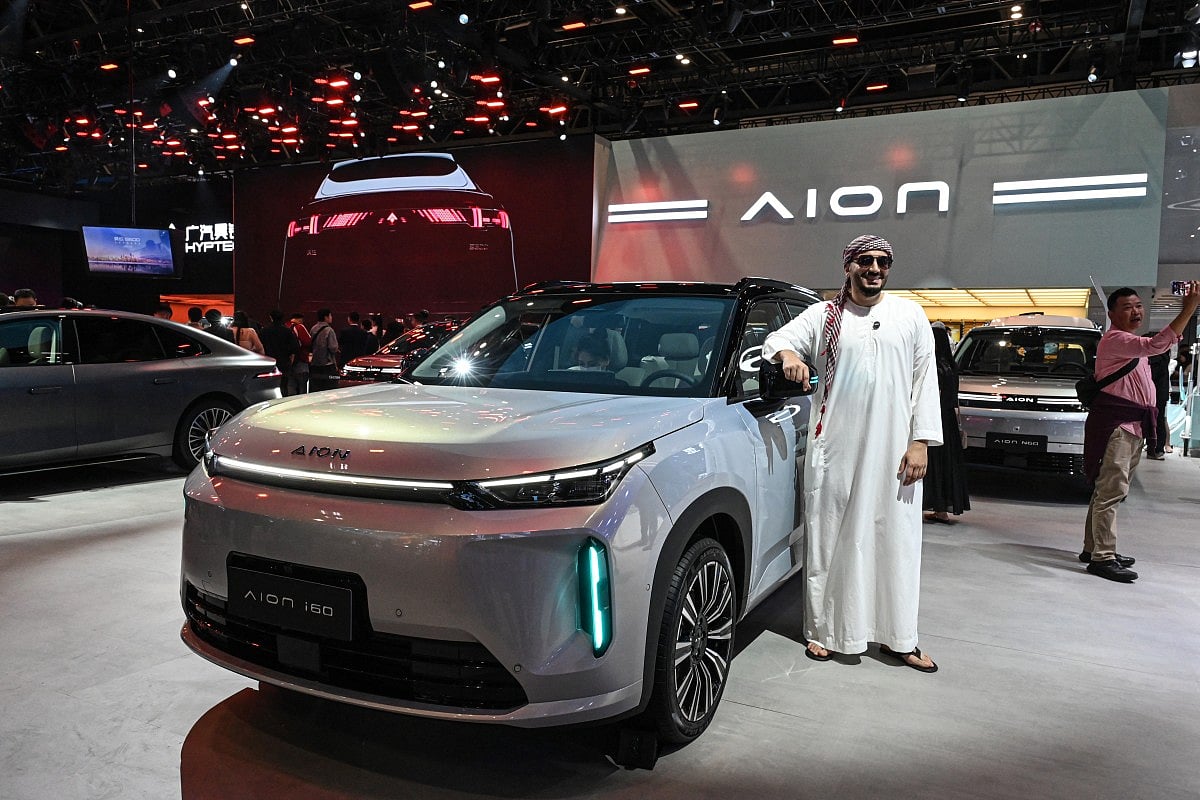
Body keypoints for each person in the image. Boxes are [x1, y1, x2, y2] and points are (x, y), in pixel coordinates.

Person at [762, 234, 942, 672]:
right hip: (836, 448)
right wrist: (790, 356)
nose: (874, 269)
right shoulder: (824, 316)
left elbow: (925, 381)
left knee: (895, 541)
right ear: (848, 266)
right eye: (865, 261)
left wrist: (921, 441)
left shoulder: (910, 315)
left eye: (882, 262)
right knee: (830, 538)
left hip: (896, 452)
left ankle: (900, 637)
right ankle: (826, 631)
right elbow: (775, 341)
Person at [1081, 283, 1200, 582]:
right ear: (1111, 314)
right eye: (1127, 307)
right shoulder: (1117, 340)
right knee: (1111, 492)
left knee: (1107, 491)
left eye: (1138, 306)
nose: (1135, 311)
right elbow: (1156, 345)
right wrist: (1189, 308)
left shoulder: (1129, 342)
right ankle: (1102, 557)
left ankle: (1093, 548)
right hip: (1117, 426)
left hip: (1131, 426)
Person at [923, 322, 970, 523]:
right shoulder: (951, 365)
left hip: (934, 419)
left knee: (933, 464)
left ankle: (937, 507)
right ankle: (942, 509)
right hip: (949, 421)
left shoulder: (933, 366)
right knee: (948, 464)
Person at [1144, 333, 1172, 460]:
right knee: (1158, 420)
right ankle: (1156, 448)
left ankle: (1156, 448)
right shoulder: (1164, 355)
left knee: (1155, 421)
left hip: (1154, 393)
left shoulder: (1155, 358)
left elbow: (1151, 376)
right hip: (1160, 393)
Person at [259, 309, 299, 394]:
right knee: (283, 385)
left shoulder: (264, 330)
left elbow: (260, 346)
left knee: (269, 386)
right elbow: (294, 347)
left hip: (269, 361)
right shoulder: (287, 331)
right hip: (284, 361)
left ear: (271, 318)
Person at [308, 308, 340, 391]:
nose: (331, 317)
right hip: (327, 365)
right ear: (326, 317)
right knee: (328, 389)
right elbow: (333, 348)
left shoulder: (313, 328)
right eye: (330, 315)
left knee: (316, 388)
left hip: (315, 363)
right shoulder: (329, 330)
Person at [286, 312, 313, 395]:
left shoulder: (285, 326)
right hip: (300, 359)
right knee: (302, 387)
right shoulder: (299, 326)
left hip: (288, 361)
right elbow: (308, 341)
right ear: (300, 319)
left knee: (291, 386)